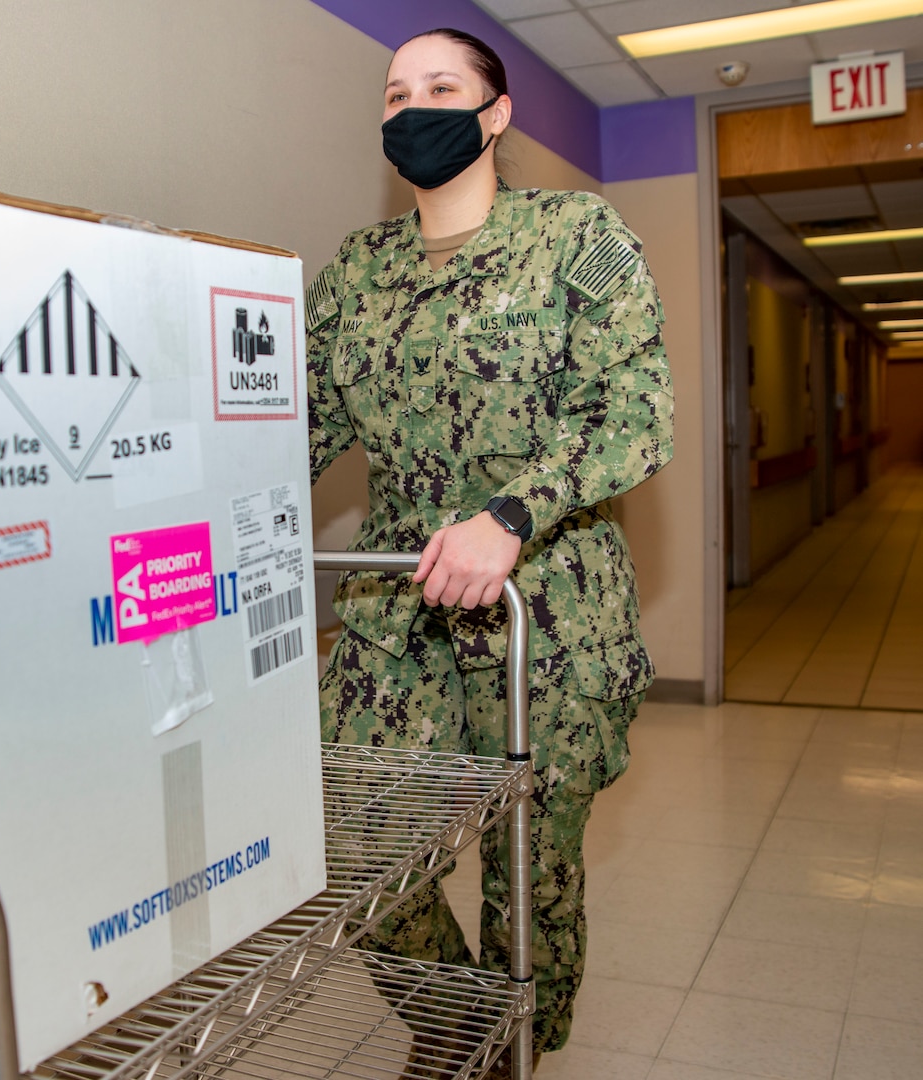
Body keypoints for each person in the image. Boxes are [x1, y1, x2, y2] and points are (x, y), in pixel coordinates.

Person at [308, 27, 674, 1078]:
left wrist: (513, 515)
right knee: (351, 840)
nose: (412, 106)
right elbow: (294, 424)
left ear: (496, 112)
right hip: (400, 612)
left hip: (547, 609)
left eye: (441, 86)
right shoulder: (359, 269)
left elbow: (638, 416)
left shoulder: (575, 235)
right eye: (395, 91)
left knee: (531, 867)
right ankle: (457, 1019)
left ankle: (511, 1054)